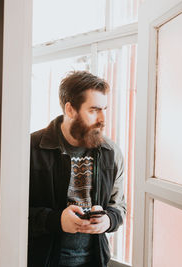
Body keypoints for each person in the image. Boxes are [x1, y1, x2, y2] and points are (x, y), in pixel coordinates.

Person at [28, 71, 126, 267]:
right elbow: (8, 212)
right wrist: (56, 220)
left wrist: (108, 220)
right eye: (94, 110)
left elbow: (119, 206)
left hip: (94, 261)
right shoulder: (30, 148)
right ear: (70, 109)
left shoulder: (111, 152)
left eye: (104, 109)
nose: (102, 119)